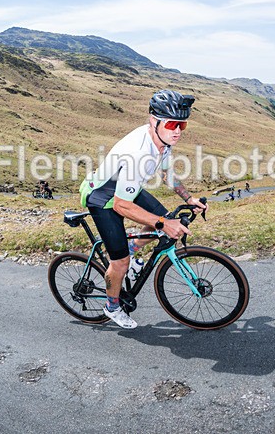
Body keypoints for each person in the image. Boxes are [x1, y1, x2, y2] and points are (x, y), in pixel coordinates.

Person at [79, 90, 207, 329]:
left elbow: (168, 175)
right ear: (153, 121)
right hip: (102, 197)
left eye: (182, 124)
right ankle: (112, 306)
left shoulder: (163, 141)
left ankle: (133, 249)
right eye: (171, 124)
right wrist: (164, 224)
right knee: (120, 262)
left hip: (126, 187)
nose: (177, 130)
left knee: (164, 218)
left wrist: (189, 199)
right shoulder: (139, 153)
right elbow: (120, 205)